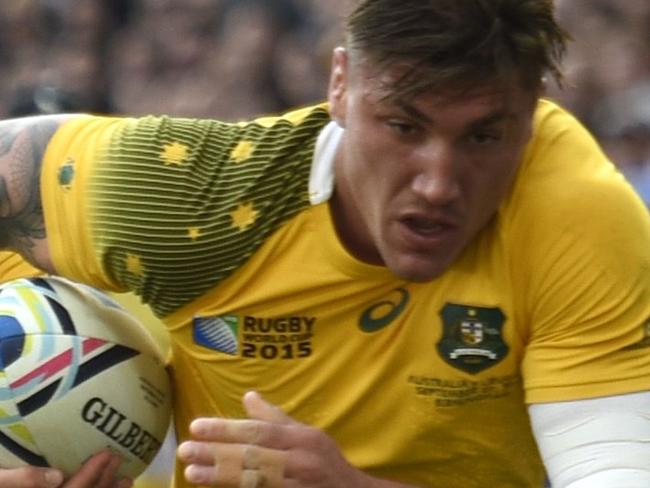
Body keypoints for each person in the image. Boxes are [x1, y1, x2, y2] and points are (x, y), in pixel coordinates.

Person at [0, 0, 649, 487]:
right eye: (402, 125)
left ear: (531, 116)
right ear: (340, 84)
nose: (437, 183)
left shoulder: (575, 214)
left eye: (483, 136)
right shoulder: (190, 200)